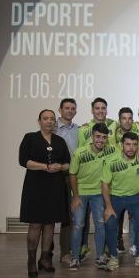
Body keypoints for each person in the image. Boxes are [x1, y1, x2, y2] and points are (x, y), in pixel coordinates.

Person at [19, 109, 70, 278]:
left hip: (54, 186)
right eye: (45, 118)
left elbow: (68, 163)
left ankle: (45, 259)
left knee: (49, 224)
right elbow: (24, 161)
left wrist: (60, 167)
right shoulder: (30, 138)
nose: (49, 121)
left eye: (52, 119)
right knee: (35, 224)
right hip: (35, 186)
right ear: (39, 121)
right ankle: (31, 261)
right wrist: (45, 167)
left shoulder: (60, 141)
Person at [101, 132, 139, 271]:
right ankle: (113, 257)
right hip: (116, 197)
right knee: (111, 223)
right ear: (122, 145)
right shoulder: (112, 161)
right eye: (128, 144)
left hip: (136, 197)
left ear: (138, 146)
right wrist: (108, 207)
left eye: (134, 144)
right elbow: (105, 184)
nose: (131, 148)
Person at [68, 123, 117, 270]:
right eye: (98, 136)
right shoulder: (79, 152)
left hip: (99, 193)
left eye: (104, 137)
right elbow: (72, 174)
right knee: (78, 224)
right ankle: (75, 258)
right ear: (91, 136)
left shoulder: (111, 151)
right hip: (81, 193)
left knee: (100, 224)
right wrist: (75, 196)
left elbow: (129, 150)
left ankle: (100, 257)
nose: (101, 140)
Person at [53, 98, 78, 264]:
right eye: (66, 108)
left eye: (72, 108)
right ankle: (47, 252)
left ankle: (65, 253)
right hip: (54, 176)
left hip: (74, 176)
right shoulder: (52, 128)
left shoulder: (79, 130)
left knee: (69, 215)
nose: (69, 111)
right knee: (48, 215)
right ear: (60, 110)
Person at [114, 107, 134, 253]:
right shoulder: (112, 136)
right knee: (118, 215)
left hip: (135, 181)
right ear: (119, 120)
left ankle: (134, 244)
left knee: (134, 215)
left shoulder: (137, 136)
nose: (126, 121)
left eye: (129, 118)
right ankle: (117, 241)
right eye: (124, 118)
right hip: (117, 182)